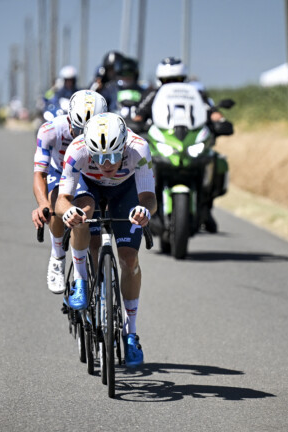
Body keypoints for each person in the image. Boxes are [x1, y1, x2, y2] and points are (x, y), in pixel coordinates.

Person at [55, 112, 156, 367]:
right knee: (83, 216)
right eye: (98, 157)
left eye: (112, 156)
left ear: (124, 147)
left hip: (125, 190)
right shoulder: (77, 150)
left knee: (129, 259)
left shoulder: (139, 148)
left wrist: (144, 211)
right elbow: (62, 200)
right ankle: (81, 282)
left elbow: (149, 198)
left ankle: (131, 334)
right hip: (88, 188)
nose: (106, 164)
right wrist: (68, 212)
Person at [133, 57, 233, 233]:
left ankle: (206, 206)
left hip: (190, 142)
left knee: (216, 160)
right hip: (164, 142)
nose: (172, 84)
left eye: (177, 79)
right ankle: (148, 206)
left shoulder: (196, 95)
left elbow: (212, 111)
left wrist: (220, 121)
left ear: (184, 79)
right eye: (167, 80)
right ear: (160, 80)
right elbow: (138, 115)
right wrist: (134, 123)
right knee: (140, 161)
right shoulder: (153, 95)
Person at [32, 90, 108, 294]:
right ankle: (57, 256)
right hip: (59, 172)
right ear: (69, 119)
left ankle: (95, 286)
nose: (84, 137)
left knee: (91, 230)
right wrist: (43, 204)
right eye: (79, 129)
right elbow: (40, 174)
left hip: (89, 174)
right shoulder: (50, 131)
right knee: (55, 203)